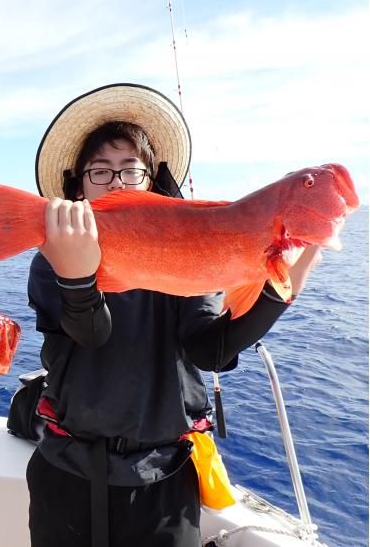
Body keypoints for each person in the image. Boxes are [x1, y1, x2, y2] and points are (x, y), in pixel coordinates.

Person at [25, 83, 323, 547]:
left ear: (152, 177)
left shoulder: (193, 252)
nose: (118, 180)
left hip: (165, 479)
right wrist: (79, 277)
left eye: (130, 168)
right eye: (100, 171)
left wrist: (277, 295)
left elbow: (211, 349)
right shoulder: (51, 257)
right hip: (67, 474)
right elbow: (90, 333)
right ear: (77, 183)